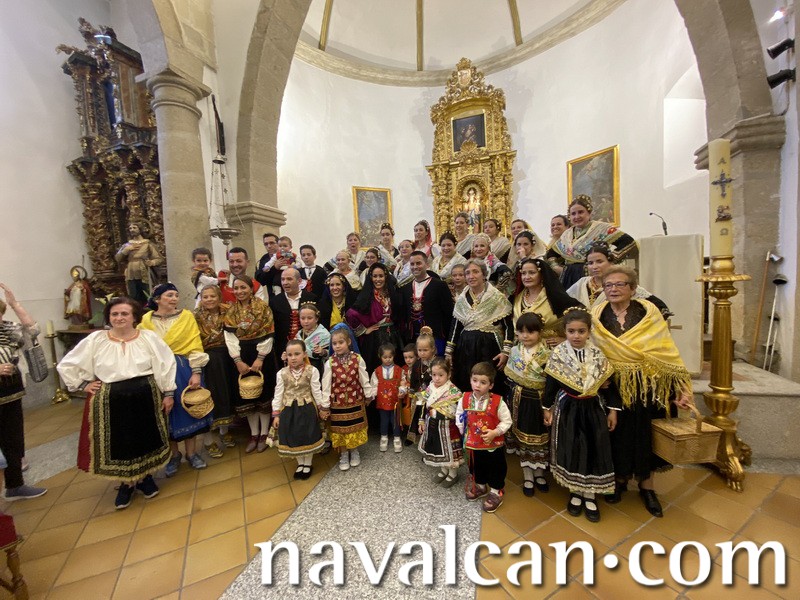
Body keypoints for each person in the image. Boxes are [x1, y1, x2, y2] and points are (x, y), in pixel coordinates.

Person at [591, 266, 692, 518]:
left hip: (647, 383)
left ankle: (647, 487)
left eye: (620, 284)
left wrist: (681, 389)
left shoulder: (649, 313)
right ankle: (620, 480)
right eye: (608, 285)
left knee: (645, 433)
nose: (613, 289)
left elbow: (665, 351)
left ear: (633, 288)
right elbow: (592, 350)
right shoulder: (596, 314)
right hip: (611, 386)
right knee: (616, 434)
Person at [58, 297, 172, 509]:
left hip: (145, 395)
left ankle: (144, 478)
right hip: (111, 398)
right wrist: (82, 384)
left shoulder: (148, 338)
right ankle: (126, 483)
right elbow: (68, 363)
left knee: (145, 436)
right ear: (109, 317)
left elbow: (165, 363)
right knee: (120, 441)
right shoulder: (96, 339)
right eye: (115, 314)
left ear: (134, 317)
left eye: (124, 313)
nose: (119, 318)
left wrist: (168, 392)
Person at [543, 308, 619, 523]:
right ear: (565, 332)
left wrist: (613, 410)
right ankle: (575, 491)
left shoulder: (597, 354)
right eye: (571, 331)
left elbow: (609, 385)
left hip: (593, 408)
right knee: (572, 446)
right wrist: (547, 408)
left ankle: (590, 493)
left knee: (594, 447)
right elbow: (551, 384)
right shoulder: (558, 354)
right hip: (568, 408)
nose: (576, 336)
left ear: (589, 331)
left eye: (581, 331)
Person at [139, 283, 212, 476]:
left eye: (176, 295)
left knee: (188, 407)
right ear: (157, 299)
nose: (174, 299)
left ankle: (192, 453)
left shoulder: (186, 316)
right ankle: (174, 455)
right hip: (158, 371)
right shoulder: (146, 321)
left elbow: (195, 343)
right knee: (166, 413)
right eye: (169, 295)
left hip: (182, 368)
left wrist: (196, 372)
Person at [0, 284, 47, 500]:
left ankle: (15, 485)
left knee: (13, 440)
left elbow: (32, 330)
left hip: (11, 393)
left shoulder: (8, 330)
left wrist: (15, 305)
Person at [223, 275, 276, 453]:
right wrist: (237, 360)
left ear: (251, 289)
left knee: (263, 394)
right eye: (236, 288)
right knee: (247, 395)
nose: (239, 291)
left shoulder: (263, 307)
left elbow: (269, 333)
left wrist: (260, 358)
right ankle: (253, 434)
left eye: (243, 287)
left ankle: (264, 433)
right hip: (241, 355)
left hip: (262, 354)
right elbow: (229, 337)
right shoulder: (231, 311)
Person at [446, 259, 513, 397]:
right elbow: (455, 326)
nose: (471, 276)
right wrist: (449, 351)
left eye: (475, 272)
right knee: (466, 382)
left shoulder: (497, 297)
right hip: (465, 348)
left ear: (484, 274)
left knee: (489, 383)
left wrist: (506, 352)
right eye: (467, 273)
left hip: (490, 348)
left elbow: (508, 326)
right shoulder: (462, 299)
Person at [504, 312, 551, 497]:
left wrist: (549, 407)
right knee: (523, 438)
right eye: (521, 332)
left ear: (540, 332)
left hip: (538, 401)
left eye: (530, 332)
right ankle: (528, 475)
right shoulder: (515, 351)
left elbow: (551, 382)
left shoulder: (547, 354)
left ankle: (539, 473)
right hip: (518, 400)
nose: (525, 336)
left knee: (539, 438)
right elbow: (510, 376)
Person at [547, 195, 637, 289]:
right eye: (573, 214)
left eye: (581, 212)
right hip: (568, 277)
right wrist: (556, 267)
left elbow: (628, 242)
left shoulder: (601, 229)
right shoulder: (567, 234)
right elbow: (551, 253)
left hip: (594, 275)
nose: (577, 216)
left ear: (589, 213)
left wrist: (609, 260)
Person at [456, 362, 511, 513]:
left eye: (483, 382)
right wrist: (462, 430)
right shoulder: (465, 398)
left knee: (496, 467)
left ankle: (496, 491)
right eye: (474, 380)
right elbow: (459, 414)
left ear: (491, 385)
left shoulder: (498, 402)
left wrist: (495, 432)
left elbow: (507, 421)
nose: (477, 385)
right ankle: (480, 486)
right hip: (473, 443)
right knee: (477, 465)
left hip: (493, 444)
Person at [272, 340, 329, 480]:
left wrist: (322, 408)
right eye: (290, 355)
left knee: (308, 435)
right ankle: (300, 463)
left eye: (297, 354)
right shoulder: (281, 373)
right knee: (294, 435)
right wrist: (276, 414)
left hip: (307, 408)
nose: (293, 358)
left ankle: (308, 463)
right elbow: (278, 394)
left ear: (304, 354)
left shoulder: (312, 371)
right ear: (286, 356)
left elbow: (316, 391)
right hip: (288, 410)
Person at [567, 241, 671, 318]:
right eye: (590, 263)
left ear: (611, 262)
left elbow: (660, 308)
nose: (594, 266)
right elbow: (565, 302)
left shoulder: (620, 283)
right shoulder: (582, 283)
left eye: (599, 262)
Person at [322, 325, 373, 471]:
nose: (337, 346)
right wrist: (325, 404)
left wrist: (368, 394)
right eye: (334, 343)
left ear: (349, 342)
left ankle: (354, 451)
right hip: (337, 403)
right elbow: (326, 384)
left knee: (353, 428)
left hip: (355, 400)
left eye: (341, 342)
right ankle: (344, 454)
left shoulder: (358, 359)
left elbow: (364, 378)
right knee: (340, 429)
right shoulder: (330, 362)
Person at [193, 285, 236, 457]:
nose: (209, 299)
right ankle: (208, 441)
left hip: (227, 357)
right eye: (205, 297)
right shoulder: (195, 316)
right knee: (210, 397)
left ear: (219, 297)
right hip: (207, 360)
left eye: (213, 296)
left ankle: (224, 431)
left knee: (226, 395)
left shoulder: (228, 311)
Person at [511, 258, 583, 348]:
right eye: (523, 273)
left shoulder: (555, 297)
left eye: (532, 273)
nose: (527, 277)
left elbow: (582, 322)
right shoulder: (516, 298)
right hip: (522, 350)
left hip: (551, 350)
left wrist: (567, 340)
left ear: (541, 275)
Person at [346, 263, 403, 374]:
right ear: (370, 278)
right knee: (376, 367)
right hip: (375, 338)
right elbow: (350, 314)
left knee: (394, 366)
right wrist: (364, 330)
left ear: (386, 277)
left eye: (381, 276)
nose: (378, 279)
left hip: (393, 336)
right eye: (374, 276)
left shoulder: (392, 293)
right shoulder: (367, 295)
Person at [417, 357, 463, 487]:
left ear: (448, 374)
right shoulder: (430, 387)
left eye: (441, 375)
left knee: (449, 450)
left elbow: (460, 412)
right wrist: (421, 421)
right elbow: (423, 404)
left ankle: (453, 473)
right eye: (434, 375)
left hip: (448, 426)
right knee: (438, 448)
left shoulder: (454, 391)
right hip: (432, 424)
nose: (437, 378)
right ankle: (443, 470)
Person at [400, 251, 454, 354]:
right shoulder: (405, 288)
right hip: (413, 338)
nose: (415, 267)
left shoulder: (439, 285)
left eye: (418, 263)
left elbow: (448, 314)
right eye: (412, 264)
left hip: (436, 338)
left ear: (427, 264)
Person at [271, 268, 316, 366]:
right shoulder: (275, 301)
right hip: (283, 349)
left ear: (299, 281)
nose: (285, 282)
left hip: (309, 347)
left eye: (289, 279)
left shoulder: (311, 297)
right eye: (283, 279)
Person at [368, 344, 406, 453]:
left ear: (394, 356)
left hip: (395, 401)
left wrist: (402, 391)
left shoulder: (399, 370)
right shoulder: (377, 371)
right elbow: (374, 386)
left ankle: (397, 438)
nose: (388, 359)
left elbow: (404, 382)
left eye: (390, 357)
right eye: (385, 357)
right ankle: (383, 437)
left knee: (395, 420)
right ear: (380, 357)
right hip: (382, 402)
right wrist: (370, 396)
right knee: (384, 420)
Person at [115, 223, 163, 303]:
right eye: (130, 228)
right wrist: (126, 250)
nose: (132, 230)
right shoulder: (127, 245)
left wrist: (151, 262)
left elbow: (159, 258)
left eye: (134, 228)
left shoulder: (148, 244)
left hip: (144, 271)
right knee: (133, 295)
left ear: (140, 229)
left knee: (147, 293)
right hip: (131, 273)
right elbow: (118, 258)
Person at [405, 327, 437, 446]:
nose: (422, 353)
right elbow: (413, 379)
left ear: (432, 349)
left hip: (433, 395)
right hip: (419, 395)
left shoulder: (437, 363)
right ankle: (413, 436)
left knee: (429, 416)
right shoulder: (417, 364)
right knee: (416, 414)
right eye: (419, 350)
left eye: (425, 350)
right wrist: (413, 392)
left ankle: (430, 439)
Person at [295, 303, 330, 377]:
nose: (306, 321)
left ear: (316, 319)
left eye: (309, 318)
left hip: (318, 370)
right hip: (300, 371)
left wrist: (323, 352)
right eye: (303, 318)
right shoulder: (298, 334)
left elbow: (332, 354)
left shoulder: (324, 334)